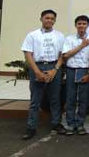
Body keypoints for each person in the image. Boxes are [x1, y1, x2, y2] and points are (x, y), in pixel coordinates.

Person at [21, 10, 66, 140]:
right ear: (41, 19)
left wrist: (55, 69)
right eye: (47, 18)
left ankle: (56, 124)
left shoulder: (60, 36)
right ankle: (31, 127)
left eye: (52, 18)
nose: (49, 20)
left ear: (55, 21)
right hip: (38, 66)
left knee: (55, 99)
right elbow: (28, 54)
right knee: (35, 100)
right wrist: (37, 71)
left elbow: (62, 55)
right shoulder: (32, 35)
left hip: (54, 67)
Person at [62, 15, 89, 136]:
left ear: (87, 26)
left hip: (85, 70)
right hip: (71, 70)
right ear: (76, 25)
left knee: (83, 99)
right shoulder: (69, 39)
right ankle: (70, 124)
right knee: (70, 98)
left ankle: (80, 124)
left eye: (84, 24)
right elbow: (66, 55)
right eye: (79, 24)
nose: (81, 26)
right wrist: (82, 45)